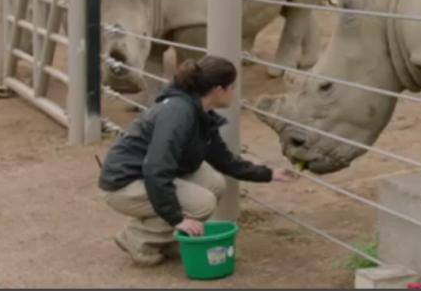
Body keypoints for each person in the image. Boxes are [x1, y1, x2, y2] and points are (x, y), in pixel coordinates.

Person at [98, 55, 296, 266]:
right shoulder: (178, 114)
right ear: (219, 90)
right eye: (232, 87)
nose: (234, 92)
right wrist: (177, 219)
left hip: (149, 175)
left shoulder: (200, 112)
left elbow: (225, 161)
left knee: (214, 183)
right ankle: (137, 238)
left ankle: (165, 238)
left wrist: (269, 174)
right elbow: (156, 168)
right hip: (124, 184)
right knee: (202, 204)